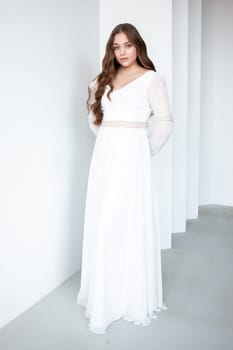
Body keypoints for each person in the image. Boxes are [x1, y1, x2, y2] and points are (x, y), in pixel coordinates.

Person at [77, 22, 173, 334]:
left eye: (128, 45)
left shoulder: (152, 80)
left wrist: (144, 150)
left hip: (134, 160)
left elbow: (165, 122)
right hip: (105, 159)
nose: (122, 52)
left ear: (138, 46)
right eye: (116, 47)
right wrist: (109, 139)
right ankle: (105, 296)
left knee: (127, 221)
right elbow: (94, 120)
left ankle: (128, 296)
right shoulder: (100, 81)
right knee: (104, 221)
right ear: (111, 50)